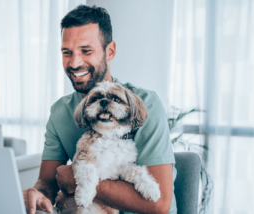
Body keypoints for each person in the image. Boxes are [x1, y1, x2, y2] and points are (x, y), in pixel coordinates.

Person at [23, 5, 177, 214]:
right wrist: (38, 192)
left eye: (86, 51)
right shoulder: (61, 111)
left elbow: (159, 204)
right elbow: (47, 181)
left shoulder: (146, 104)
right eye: (67, 52)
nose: (75, 62)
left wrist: (80, 180)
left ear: (110, 51)